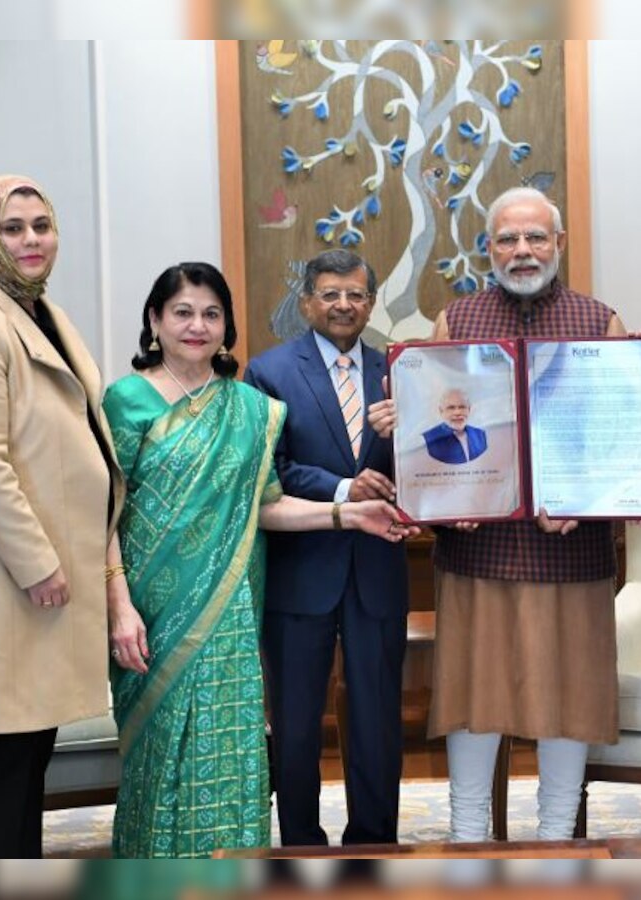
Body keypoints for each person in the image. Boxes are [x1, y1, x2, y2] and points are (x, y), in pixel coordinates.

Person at [104, 261, 410, 858]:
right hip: (160, 606)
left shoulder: (247, 404)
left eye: (211, 314)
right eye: (183, 313)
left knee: (235, 741)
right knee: (200, 737)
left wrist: (352, 511)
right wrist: (118, 601)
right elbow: (101, 510)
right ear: (155, 320)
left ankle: (241, 866)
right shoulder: (128, 400)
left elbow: (265, 501)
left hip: (235, 603)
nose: (197, 326)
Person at [370, 186, 627, 841]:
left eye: (536, 237)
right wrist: (408, 428)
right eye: (508, 239)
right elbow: (431, 431)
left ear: (559, 244)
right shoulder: (455, 323)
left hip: (573, 547)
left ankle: (554, 834)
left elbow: (614, 438)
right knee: (471, 691)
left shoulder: (601, 324)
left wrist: (587, 500)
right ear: (488, 249)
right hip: (478, 546)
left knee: (570, 695)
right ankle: (468, 830)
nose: (522, 251)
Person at [0, 174, 125, 858]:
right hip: (3, 583)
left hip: (36, 584)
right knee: (4, 759)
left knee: (29, 752)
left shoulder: (39, 312)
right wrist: (37, 562)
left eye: (42, 225)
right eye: (14, 228)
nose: (32, 239)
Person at [243, 249, 409, 847]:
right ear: (308, 302)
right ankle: (301, 842)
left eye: (357, 294)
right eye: (331, 294)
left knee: (376, 717)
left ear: (370, 302)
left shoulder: (399, 370)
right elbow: (270, 469)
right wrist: (344, 488)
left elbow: (429, 465)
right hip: (300, 570)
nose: (344, 304)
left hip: (378, 571)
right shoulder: (268, 373)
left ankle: (372, 841)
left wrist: (405, 438)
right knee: (294, 722)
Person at [422, 388, 488, 464]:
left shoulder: (480, 435)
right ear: (441, 411)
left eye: (462, 407)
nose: (457, 412)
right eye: (451, 408)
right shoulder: (428, 439)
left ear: (469, 409)